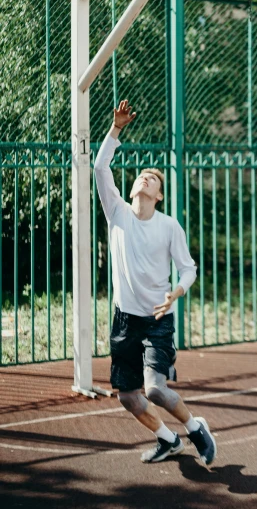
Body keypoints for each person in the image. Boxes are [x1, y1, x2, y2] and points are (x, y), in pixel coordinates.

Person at [94, 99, 217, 466]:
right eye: (142, 177)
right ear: (132, 189)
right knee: (129, 397)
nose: (145, 179)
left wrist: (176, 292)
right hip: (124, 320)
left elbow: (189, 269)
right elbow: (100, 167)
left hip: (158, 320)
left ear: (158, 195)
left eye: (153, 179)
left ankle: (196, 429)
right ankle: (168, 440)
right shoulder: (116, 212)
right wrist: (116, 128)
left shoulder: (168, 226)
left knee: (155, 389)